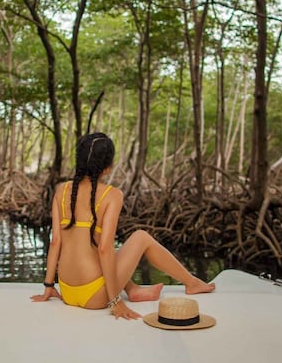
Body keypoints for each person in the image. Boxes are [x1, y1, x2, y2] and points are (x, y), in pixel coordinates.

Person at [30, 132, 215, 320]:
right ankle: (192, 283)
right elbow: (104, 249)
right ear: (107, 168)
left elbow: (55, 243)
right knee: (141, 237)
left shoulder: (61, 190)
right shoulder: (112, 195)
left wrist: (48, 287)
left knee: (100, 245)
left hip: (67, 291)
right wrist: (115, 302)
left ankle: (133, 289)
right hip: (95, 296)